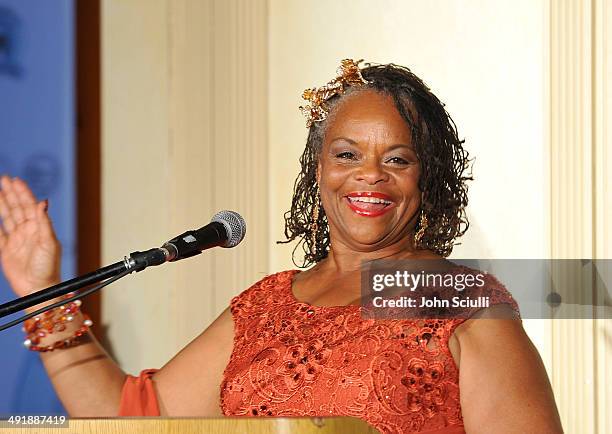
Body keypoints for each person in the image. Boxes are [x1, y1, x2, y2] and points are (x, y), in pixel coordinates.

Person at [0, 60, 563, 433]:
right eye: (347, 155)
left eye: (397, 159)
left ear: (426, 177)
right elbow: (133, 419)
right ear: (318, 172)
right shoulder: (266, 305)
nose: (369, 176)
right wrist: (43, 294)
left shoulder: (462, 301)